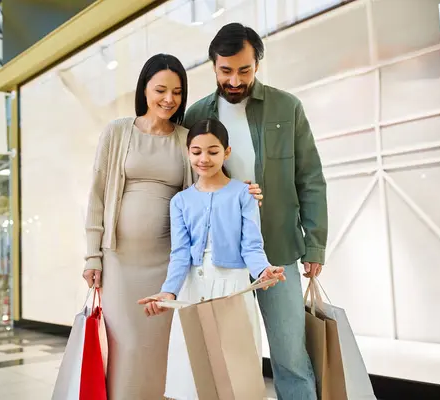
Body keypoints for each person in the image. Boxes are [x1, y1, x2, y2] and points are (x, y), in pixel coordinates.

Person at [82, 53, 263, 399]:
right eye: (161, 90)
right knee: (125, 346)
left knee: (156, 348)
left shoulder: (185, 139)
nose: (169, 99)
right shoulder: (117, 132)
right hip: (119, 260)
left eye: (177, 92)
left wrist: (245, 189)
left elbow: (210, 183)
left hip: (167, 262)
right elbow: (97, 197)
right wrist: (92, 255)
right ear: (144, 89)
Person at [181, 23, 328, 399]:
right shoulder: (196, 115)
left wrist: (314, 246)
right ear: (213, 66)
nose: (234, 79)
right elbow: (189, 186)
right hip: (223, 256)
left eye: (244, 70)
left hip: (277, 250)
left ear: (257, 64)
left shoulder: (286, 107)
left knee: (290, 357)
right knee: (228, 356)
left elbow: (309, 178)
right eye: (225, 70)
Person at [138, 118, 286, 399]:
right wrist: (169, 291)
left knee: (236, 370)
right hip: (193, 288)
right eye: (196, 152)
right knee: (192, 370)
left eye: (213, 151)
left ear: (226, 153)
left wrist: (264, 270)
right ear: (187, 152)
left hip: (233, 287)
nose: (203, 159)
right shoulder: (180, 201)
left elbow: (252, 246)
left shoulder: (244, 194)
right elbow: (180, 254)